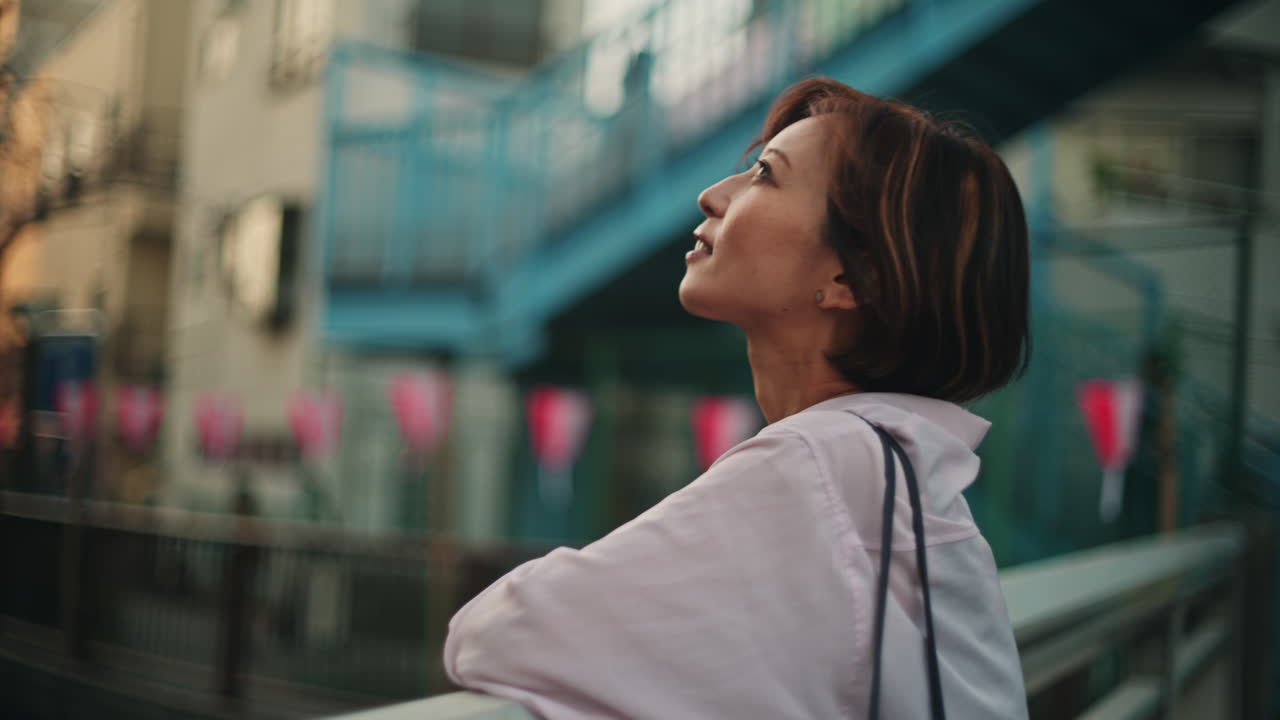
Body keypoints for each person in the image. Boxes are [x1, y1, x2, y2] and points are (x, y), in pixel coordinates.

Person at [444, 77, 1030, 719]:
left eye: (764, 175)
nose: (712, 194)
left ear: (849, 277)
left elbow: (508, 634)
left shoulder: (823, 461)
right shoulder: (890, 465)